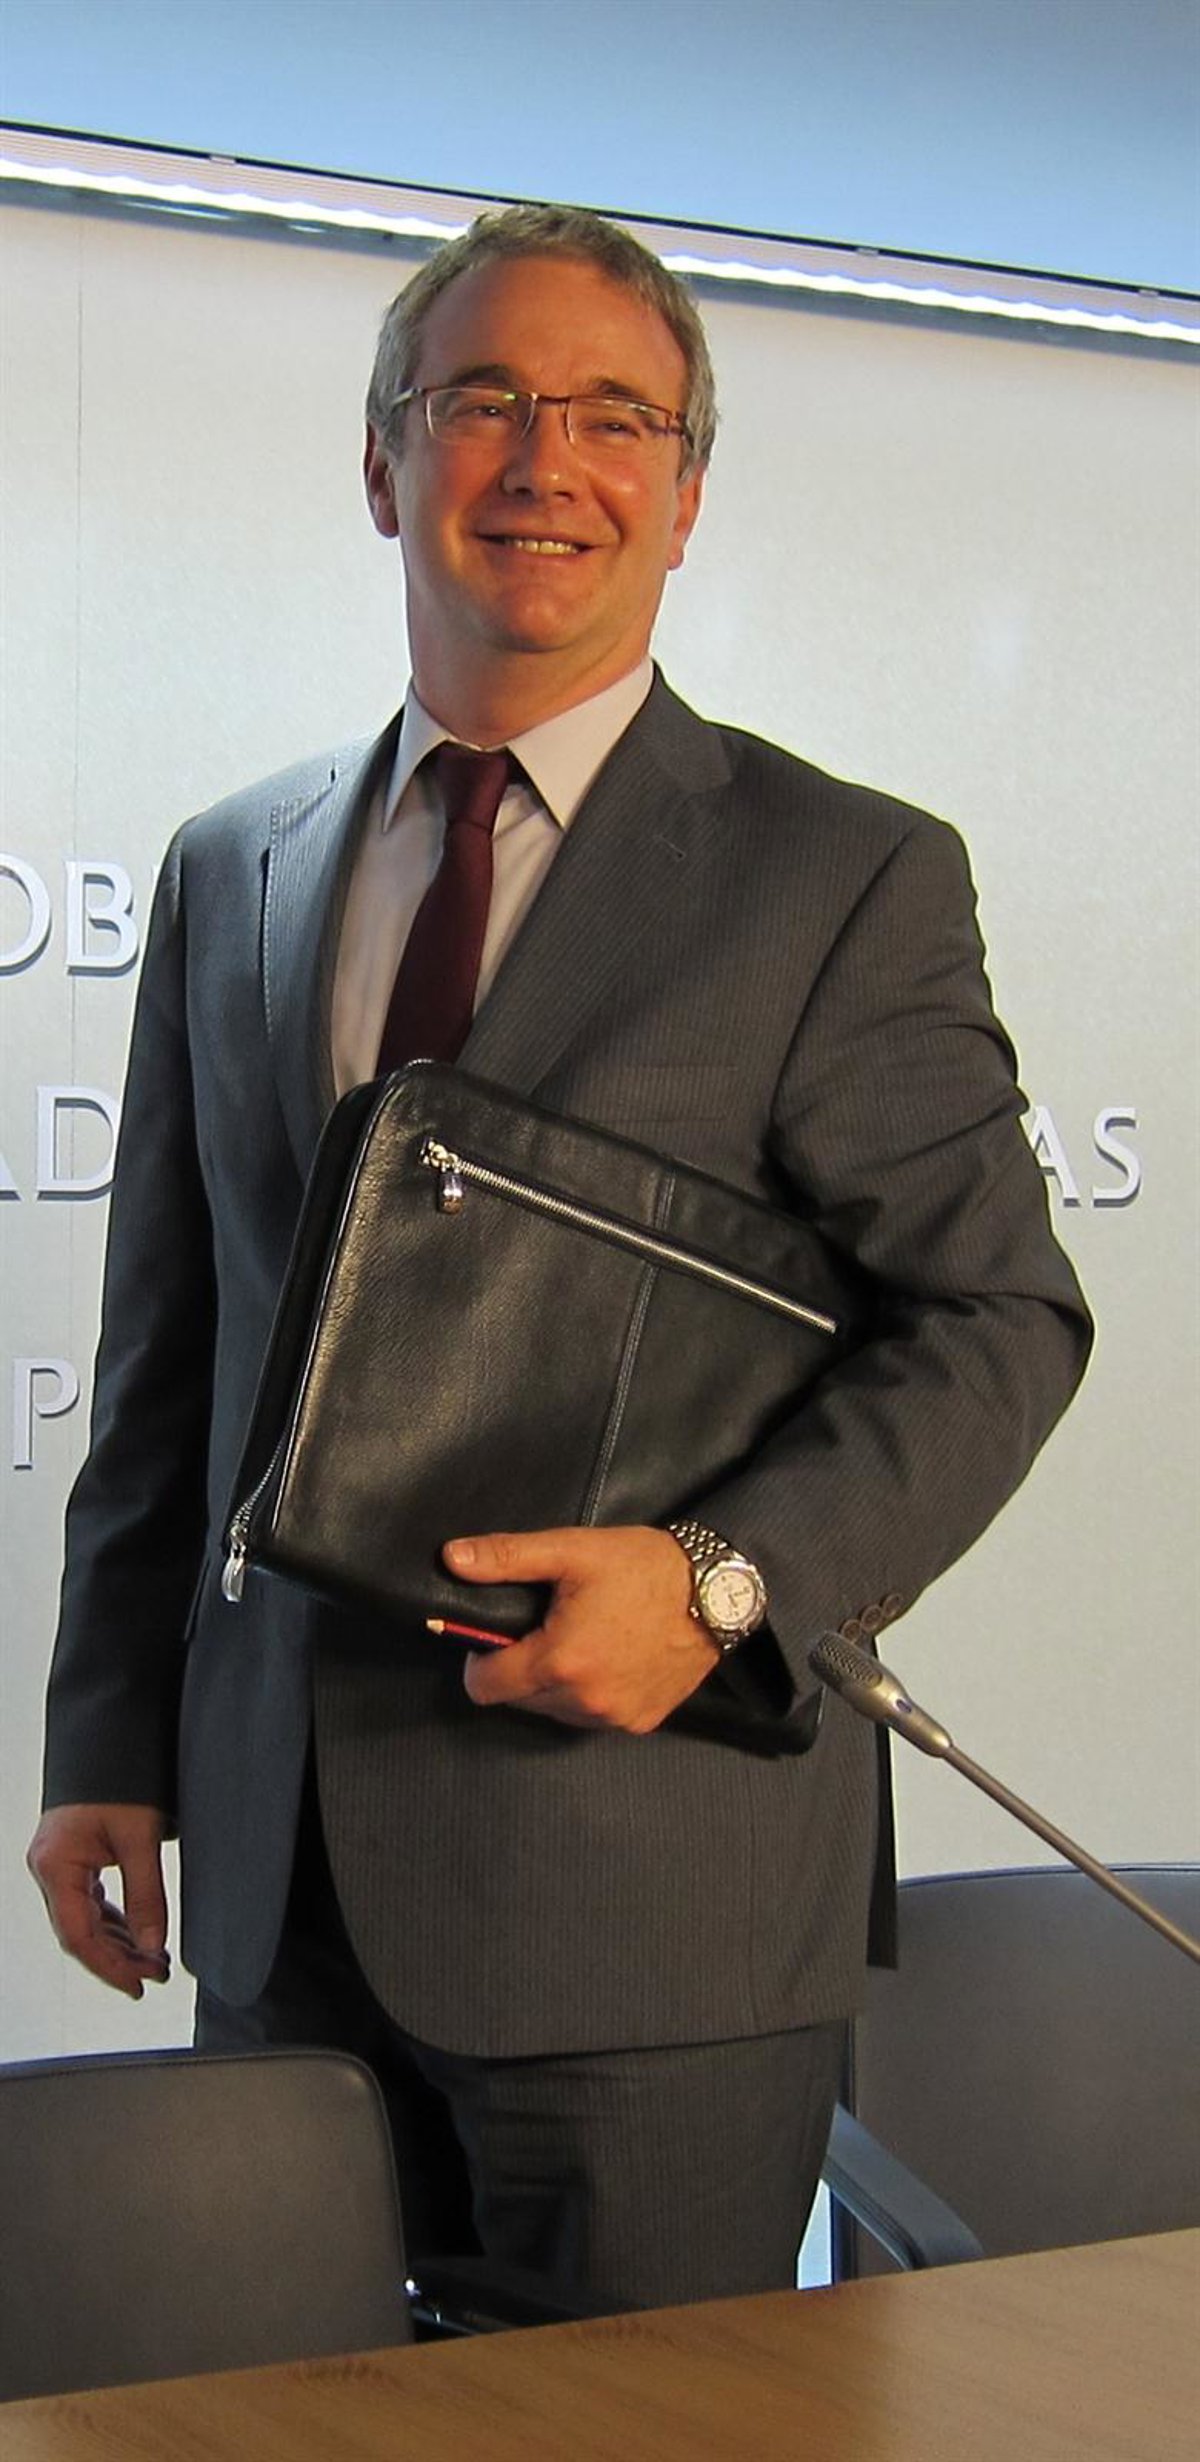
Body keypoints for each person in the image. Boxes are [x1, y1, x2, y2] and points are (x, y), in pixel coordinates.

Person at [28, 204, 1091, 2310]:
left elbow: (999, 1320)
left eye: (618, 416)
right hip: (276, 1887)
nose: (547, 460)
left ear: (686, 497)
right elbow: (175, 1355)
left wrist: (719, 1583)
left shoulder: (845, 875)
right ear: (383, 462)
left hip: (651, 1892)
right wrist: (106, 1747)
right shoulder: (234, 864)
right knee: (291, 2441)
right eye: (486, 400)